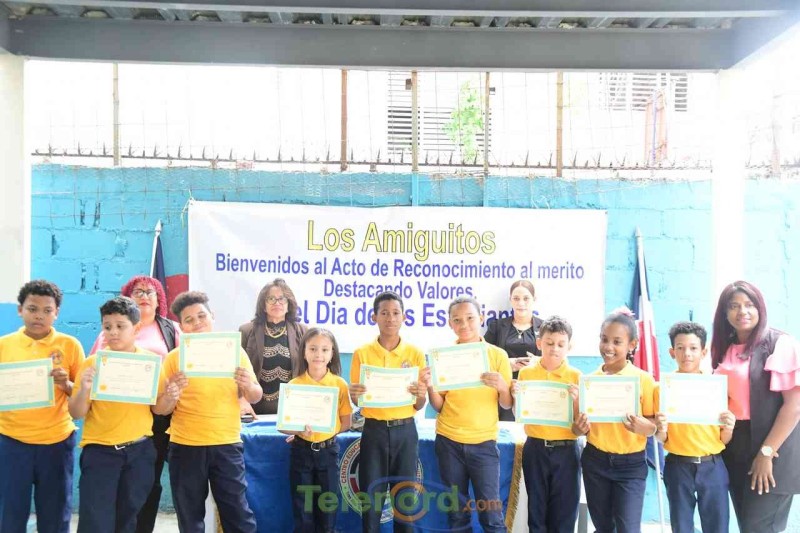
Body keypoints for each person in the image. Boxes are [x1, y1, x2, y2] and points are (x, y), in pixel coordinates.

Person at [154, 290, 260, 533]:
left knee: (238, 513)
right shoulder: (173, 359)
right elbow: (159, 409)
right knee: (190, 517)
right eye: (189, 320)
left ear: (212, 316)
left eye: (201, 316)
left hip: (226, 444)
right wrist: (170, 395)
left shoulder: (235, 352)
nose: (197, 323)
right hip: (185, 446)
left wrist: (247, 385)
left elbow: (256, 395)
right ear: (181, 327)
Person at [89, 274, 180, 533]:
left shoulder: (172, 329)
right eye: (138, 291)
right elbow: (94, 367)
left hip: (158, 415)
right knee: (115, 488)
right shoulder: (110, 332)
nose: (144, 296)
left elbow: (184, 364)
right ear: (128, 298)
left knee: (147, 482)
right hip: (116, 417)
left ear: (159, 299)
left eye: (150, 292)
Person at [711, 281, 800, 533]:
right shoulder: (724, 347)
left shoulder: (780, 343)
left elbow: (794, 406)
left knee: (758, 527)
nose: (742, 311)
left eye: (749, 304)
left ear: (760, 308)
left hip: (771, 446)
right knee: (746, 526)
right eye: (734, 306)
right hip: (735, 448)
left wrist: (766, 453)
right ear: (725, 313)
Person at [0, 280, 85, 533]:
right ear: (20, 310)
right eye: (32, 309)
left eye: (47, 310)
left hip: (57, 442)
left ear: (56, 313)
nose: (39, 315)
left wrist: (66, 384)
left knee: (56, 515)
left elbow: (83, 394)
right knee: (9, 514)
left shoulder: (70, 345)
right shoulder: (4, 346)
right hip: (11, 441)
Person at [69, 296, 157, 533]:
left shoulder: (150, 363)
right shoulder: (92, 364)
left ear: (136, 328)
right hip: (100, 452)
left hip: (139, 451)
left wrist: (170, 394)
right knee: (95, 519)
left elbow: (159, 408)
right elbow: (76, 412)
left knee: (128, 517)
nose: (113, 332)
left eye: (120, 326)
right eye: (107, 327)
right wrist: (84, 388)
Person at [427, 296, 512, 532]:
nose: (464, 324)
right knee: (457, 514)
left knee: (491, 515)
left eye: (470, 318)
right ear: (450, 324)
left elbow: (506, 404)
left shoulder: (497, 355)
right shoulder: (443, 356)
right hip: (449, 442)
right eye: (457, 320)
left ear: (481, 318)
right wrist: (430, 387)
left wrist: (502, 387)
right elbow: (439, 406)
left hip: (484, 443)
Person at [349, 291, 428, 533]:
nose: (390, 318)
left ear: (404, 317)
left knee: (404, 502)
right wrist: (355, 394)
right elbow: (358, 401)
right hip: (374, 431)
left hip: (405, 431)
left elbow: (419, 405)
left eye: (395, 313)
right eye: (384, 313)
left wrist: (421, 393)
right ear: (374, 317)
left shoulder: (415, 354)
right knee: (371, 500)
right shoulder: (362, 353)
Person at [572, 309, 657, 533]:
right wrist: (578, 428)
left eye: (617, 342)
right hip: (595, 461)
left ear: (632, 345)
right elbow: (579, 429)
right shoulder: (589, 381)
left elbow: (653, 426)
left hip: (631, 465)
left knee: (628, 528)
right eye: (604, 339)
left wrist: (645, 427)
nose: (608, 347)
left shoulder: (644, 380)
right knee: (603, 527)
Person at [654, 321, 735, 533]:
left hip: (712, 466)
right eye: (680, 348)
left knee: (717, 526)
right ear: (672, 352)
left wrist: (729, 427)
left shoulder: (715, 386)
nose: (686, 354)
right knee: (681, 526)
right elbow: (661, 438)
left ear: (703, 352)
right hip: (678, 466)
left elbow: (723, 439)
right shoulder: (662, 388)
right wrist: (660, 428)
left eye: (693, 348)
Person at [512, 316, 582, 533]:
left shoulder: (576, 376)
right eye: (549, 343)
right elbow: (518, 413)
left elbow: (582, 421)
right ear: (539, 343)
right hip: (535, 448)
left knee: (564, 515)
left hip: (567, 450)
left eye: (561, 344)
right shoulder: (526, 373)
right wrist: (516, 397)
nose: (554, 349)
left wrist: (577, 400)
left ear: (569, 346)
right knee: (537, 512)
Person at [280, 328, 352, 533]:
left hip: (328, 452)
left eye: (324, 349)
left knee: (327, 509)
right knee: (302, 509)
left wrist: (324, 431)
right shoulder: (294, 385)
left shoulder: (339, 384)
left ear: (332, 354)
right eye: (312, 349)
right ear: (303, 352)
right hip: (301, 451)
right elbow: (284, 425)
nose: (318, 354)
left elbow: (346, 422)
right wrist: (298, 432)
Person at [239, 278, 307, 416]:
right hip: (254, 409)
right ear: (263, 305)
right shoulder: (246, 331)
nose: (277, 303)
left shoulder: (303, 332)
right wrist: (242, 400)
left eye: (282, 299)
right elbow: (237, 370)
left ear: (289, 304)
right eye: (271, 299)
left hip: (291, 409)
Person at [485, 280, 543, 421]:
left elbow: (557, 357)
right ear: (510, 300)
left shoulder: (544, 328)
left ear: (534, 299)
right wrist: (506, 364)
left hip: (534, 391)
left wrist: (537, 363)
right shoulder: (497, 327)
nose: (521, 303)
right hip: (503, 391)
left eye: (526, 298)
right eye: (516, 298)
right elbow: (484, 357)